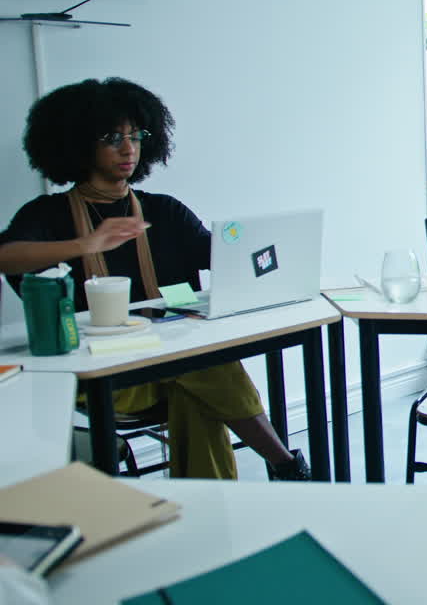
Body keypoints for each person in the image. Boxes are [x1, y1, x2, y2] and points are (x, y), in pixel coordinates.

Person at [0, 78, 310, 481]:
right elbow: (6, 256)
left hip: (170, 363)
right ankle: (285, 464)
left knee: (196, 376)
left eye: (135, 136)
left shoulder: (164, 211)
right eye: (112, 138)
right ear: (78, 144)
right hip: (102, 374)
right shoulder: (48, 214)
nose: (128, 148)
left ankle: (218, 507)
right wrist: (86, 243)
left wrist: (265, 250)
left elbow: (217, 254)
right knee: (205, 363)